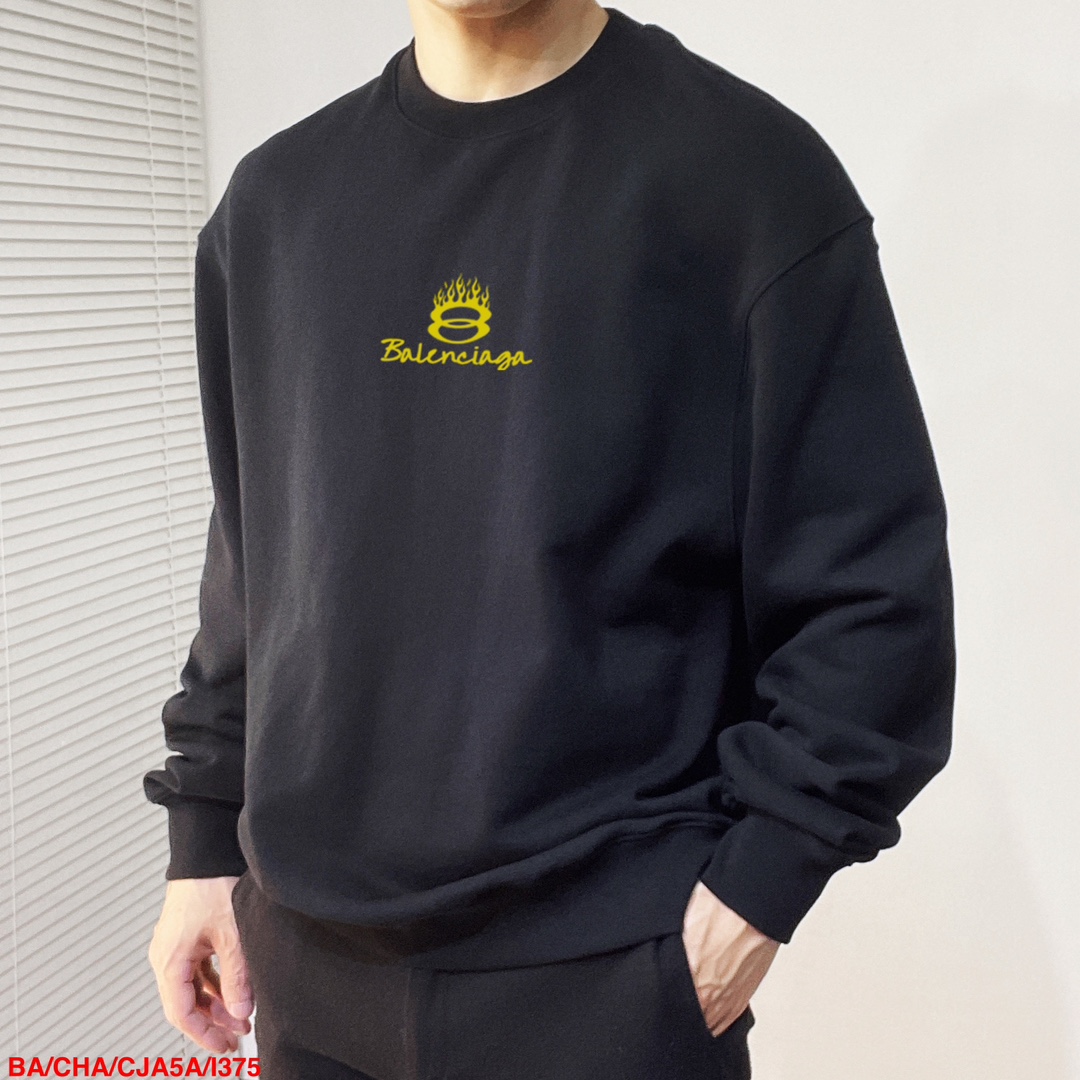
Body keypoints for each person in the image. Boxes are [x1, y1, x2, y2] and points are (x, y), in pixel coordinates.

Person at [143, 1, 956, 1077]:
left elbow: (874, 597)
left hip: (609, 981)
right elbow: (257, 562)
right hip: (310, 974)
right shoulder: (276, 203)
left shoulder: (748, 180)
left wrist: (757, 891)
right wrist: (203, 842)